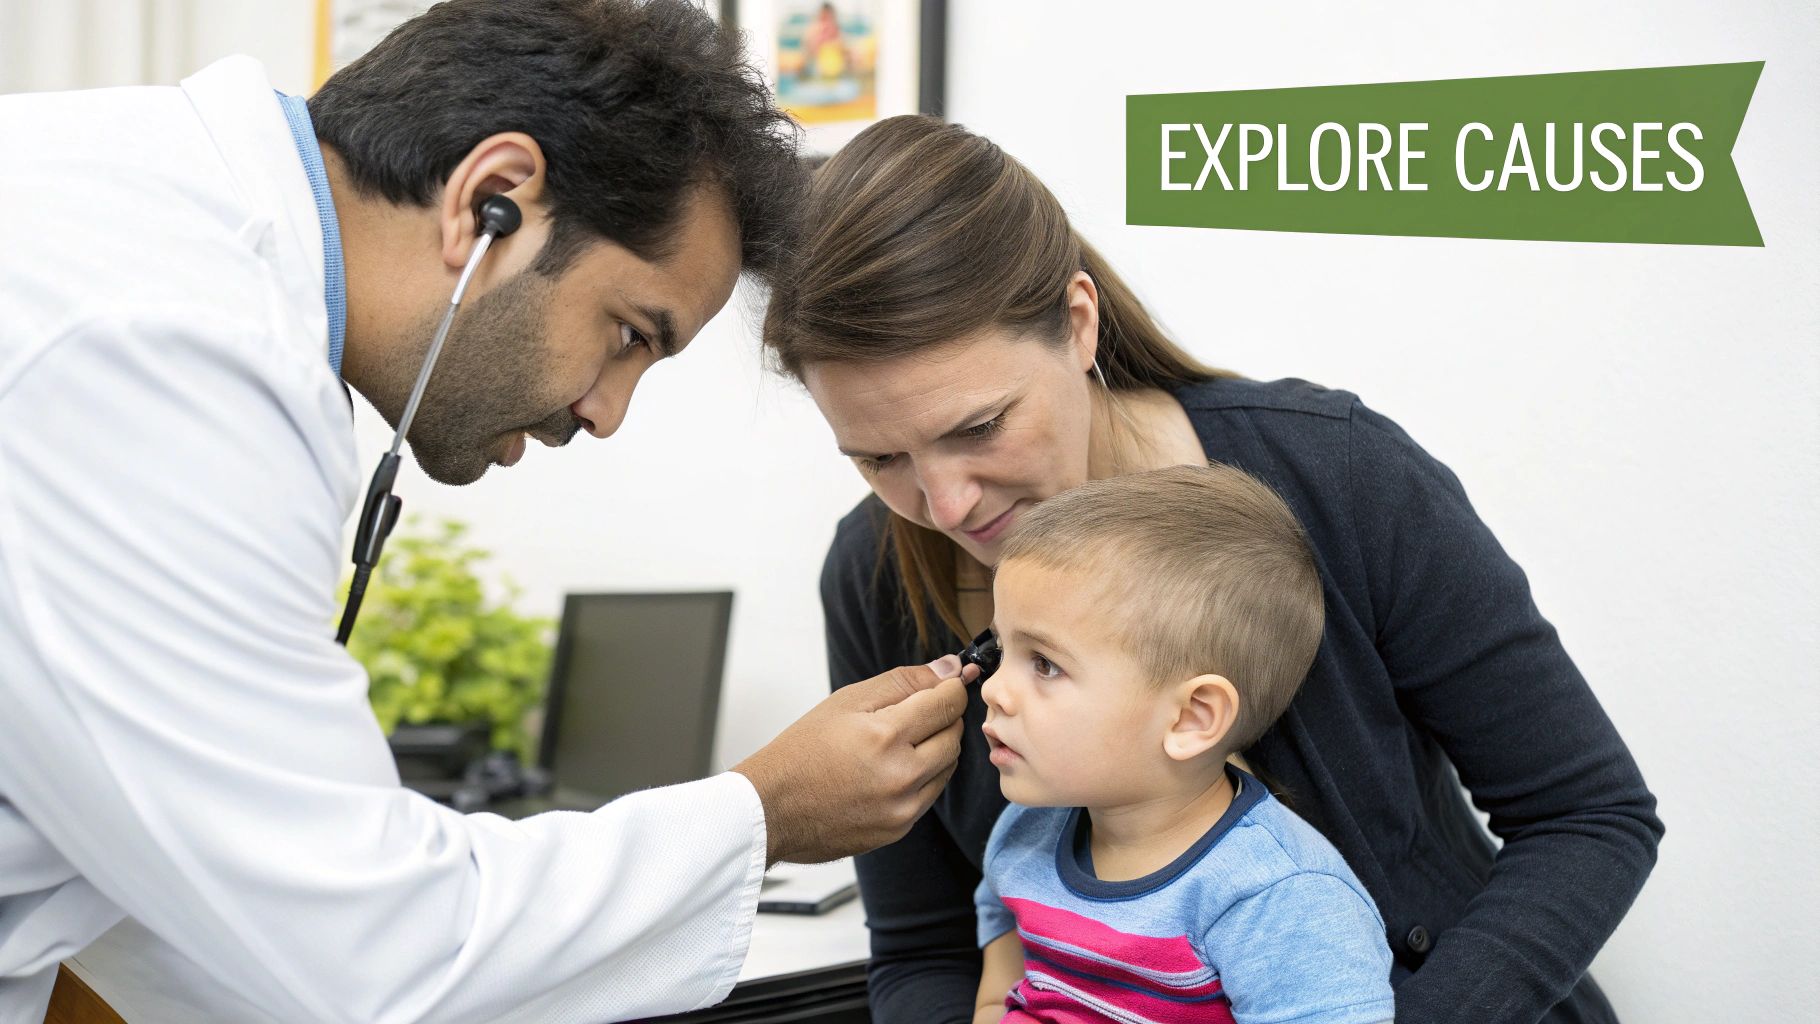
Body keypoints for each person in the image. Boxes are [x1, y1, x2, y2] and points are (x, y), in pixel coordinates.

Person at [0, 3, 969, 1022]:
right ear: (492, 199)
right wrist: (762, 812)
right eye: (630, 334)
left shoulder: (144, 220)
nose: (605, 412)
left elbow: (203, 895)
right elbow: (362, 948)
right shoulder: (162, 353)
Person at [761, 115, 1664, 1024]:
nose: (947, 506)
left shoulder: (1340, 476)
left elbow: (1589, 817)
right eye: (878, 459)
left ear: (1077, 324)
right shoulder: (873, 575)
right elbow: (925, 948)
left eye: (979, 427)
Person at [970, 465, 1395, 1024]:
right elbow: (998, 999)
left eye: (1045, 664)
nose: (995, 688)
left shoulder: (1282, 900)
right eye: (1002, 649)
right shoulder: (1024, 834)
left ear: (1192, 718)